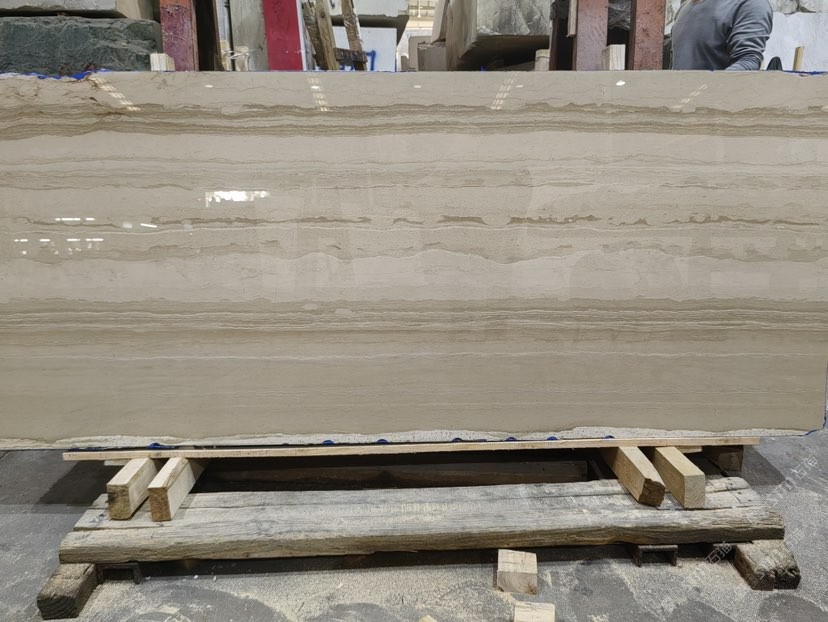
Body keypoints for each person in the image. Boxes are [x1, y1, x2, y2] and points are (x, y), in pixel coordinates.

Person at [671, 0, 773, 71]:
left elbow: (747, 61)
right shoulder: (683, 8)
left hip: (715, 95)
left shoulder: (749, 4)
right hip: (680, 95)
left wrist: (705, 90)